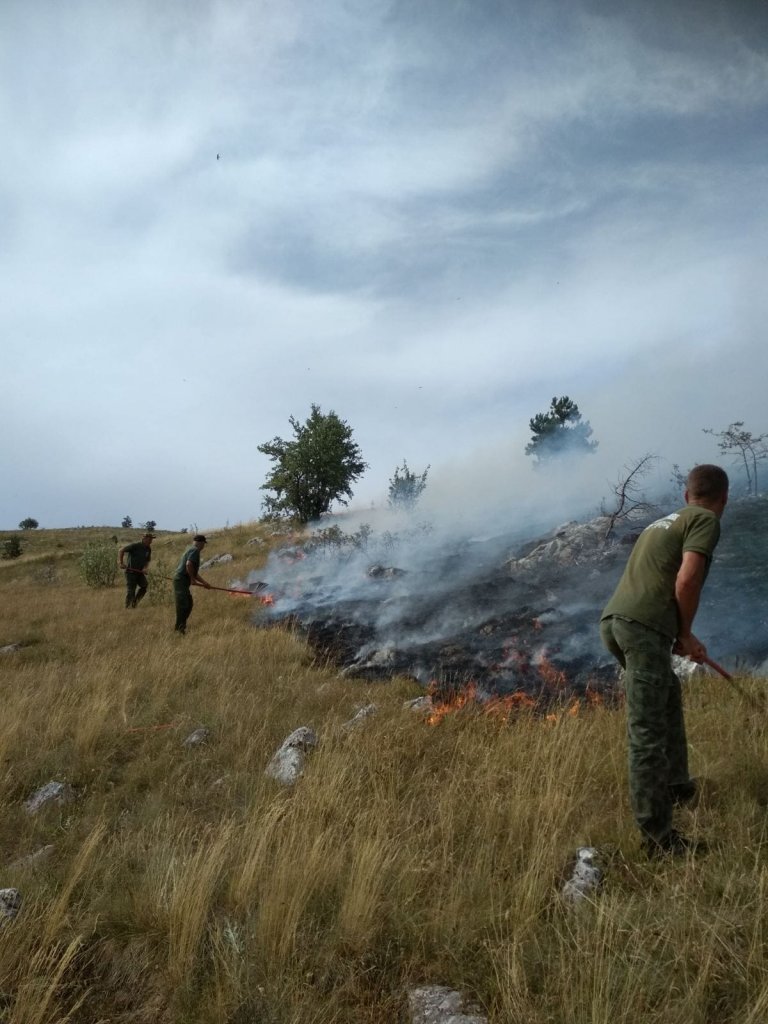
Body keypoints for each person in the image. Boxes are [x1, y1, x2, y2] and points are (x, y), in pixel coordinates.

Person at [599, 464, 729, 858]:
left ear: (686, 495)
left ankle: (677, 787)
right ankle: (657, 838)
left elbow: (653, 581)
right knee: (647, 730)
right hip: (642, 627)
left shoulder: (660, 524)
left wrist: (676, 635)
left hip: (616, 622)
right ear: (723, 499)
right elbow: (686, 580)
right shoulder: (705, 519)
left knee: (667, 694)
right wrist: (685, 634)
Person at [173, 534, 211, 634]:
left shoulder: (190, 548)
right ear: (201, 543)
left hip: (182, 581)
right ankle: (179, 629)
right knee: (183, 605)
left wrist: (204, 583)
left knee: (189, 604)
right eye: (204, 544)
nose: (203, 546)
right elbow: (188, 564)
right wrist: (192, 579)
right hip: (181, 580)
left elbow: (193, 572)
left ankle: (181, 626)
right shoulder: (195, 551)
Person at [118, 532, 154, 609]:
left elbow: (147, 560)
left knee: (144, 586)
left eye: (151, 539)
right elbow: (121, 550)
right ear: (144, 539)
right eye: (150, 539)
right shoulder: (135, 546)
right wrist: (121, 563)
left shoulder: (148, 549)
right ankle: (128, 608)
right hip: (130, 572)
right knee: (131, 590)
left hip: (140, 572)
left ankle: (134, 603)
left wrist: (145, 568)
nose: (151, 541)